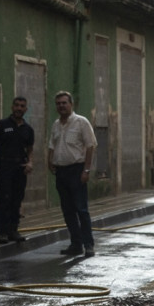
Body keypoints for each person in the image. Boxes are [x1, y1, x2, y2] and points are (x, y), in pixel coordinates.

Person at [47, 91, 97, 258]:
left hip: (77, 171)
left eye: (64, 103)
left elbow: (90, 146)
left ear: (71, 104)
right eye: (58, 103)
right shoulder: (56, 124)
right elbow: (52, 145)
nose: (61, 106)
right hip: (61, 172)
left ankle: (88, 244)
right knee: (67, 210)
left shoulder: (81, 122)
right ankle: (76, 244)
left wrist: (86, 170)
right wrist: (50, 161)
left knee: (81, 209)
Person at [0, 97, 34, 243]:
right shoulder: (1, 125)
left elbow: (30, 149)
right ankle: (2, 232)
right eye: (16, 105)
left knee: (17, 200)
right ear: (12, 107)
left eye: (22, 106)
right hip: (4, 167)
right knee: (4, 200)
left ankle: (14, 230)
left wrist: (30, 163)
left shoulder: (28, 129)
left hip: (20, 169)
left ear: (25, 109)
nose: (19, 108)